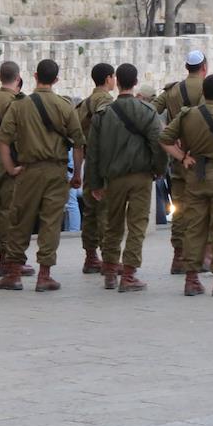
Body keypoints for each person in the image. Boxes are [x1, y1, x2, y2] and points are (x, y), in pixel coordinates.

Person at [0, 59, 86, 292]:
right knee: (51, 222)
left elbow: (3, 139)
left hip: (29, 170)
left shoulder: (19, 105)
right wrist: (76, 173)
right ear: (56, 79)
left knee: (20, 219)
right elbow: (78, 143)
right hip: (56, 171)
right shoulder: (65, 106)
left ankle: (14, 274)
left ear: (35, 76)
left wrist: (10, 168)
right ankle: (44, 275)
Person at [159, 74, 213, 297]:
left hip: (195, 178)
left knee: (194, 227)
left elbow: (164, 138)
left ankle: (191, 280)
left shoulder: (188, 115)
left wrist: (182, 157)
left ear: (203, 93)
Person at [86, 63, 167, 291]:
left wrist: (95, 183)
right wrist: (159, 169)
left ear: (117, 82)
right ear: (135, 82)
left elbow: (93, 153)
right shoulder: (147, 111)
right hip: (141, 177)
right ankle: (129, 275)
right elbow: (158, 144)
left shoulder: (103, 115)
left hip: (113, 179)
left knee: (113, 225)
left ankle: (110, 271)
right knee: (137, 225)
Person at [153, 50, 208, 274]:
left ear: (187, 67)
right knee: (202, 209)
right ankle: (200, 257)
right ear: (204, 67)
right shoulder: (207, 88)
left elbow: (150, 111)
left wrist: (168, 130)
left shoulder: (172, 90)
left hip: (178, 157)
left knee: (179, 210)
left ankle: (178, 257)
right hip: (201, 159)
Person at [0, 61, 36, 278]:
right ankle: (12, 259)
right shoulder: (15, 103)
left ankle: (3, 256)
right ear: (18, 78)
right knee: (12, 212)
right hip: (11, 160)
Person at [75, 63, 115, 274]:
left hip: (90, 161)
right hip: (104, 163)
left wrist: (78, 170)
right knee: (105, 210)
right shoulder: (106, 102)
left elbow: (78, 139)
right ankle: (109, 258)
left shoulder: (85, 103)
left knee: (90, 211)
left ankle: (91, 257)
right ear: (108, 78)